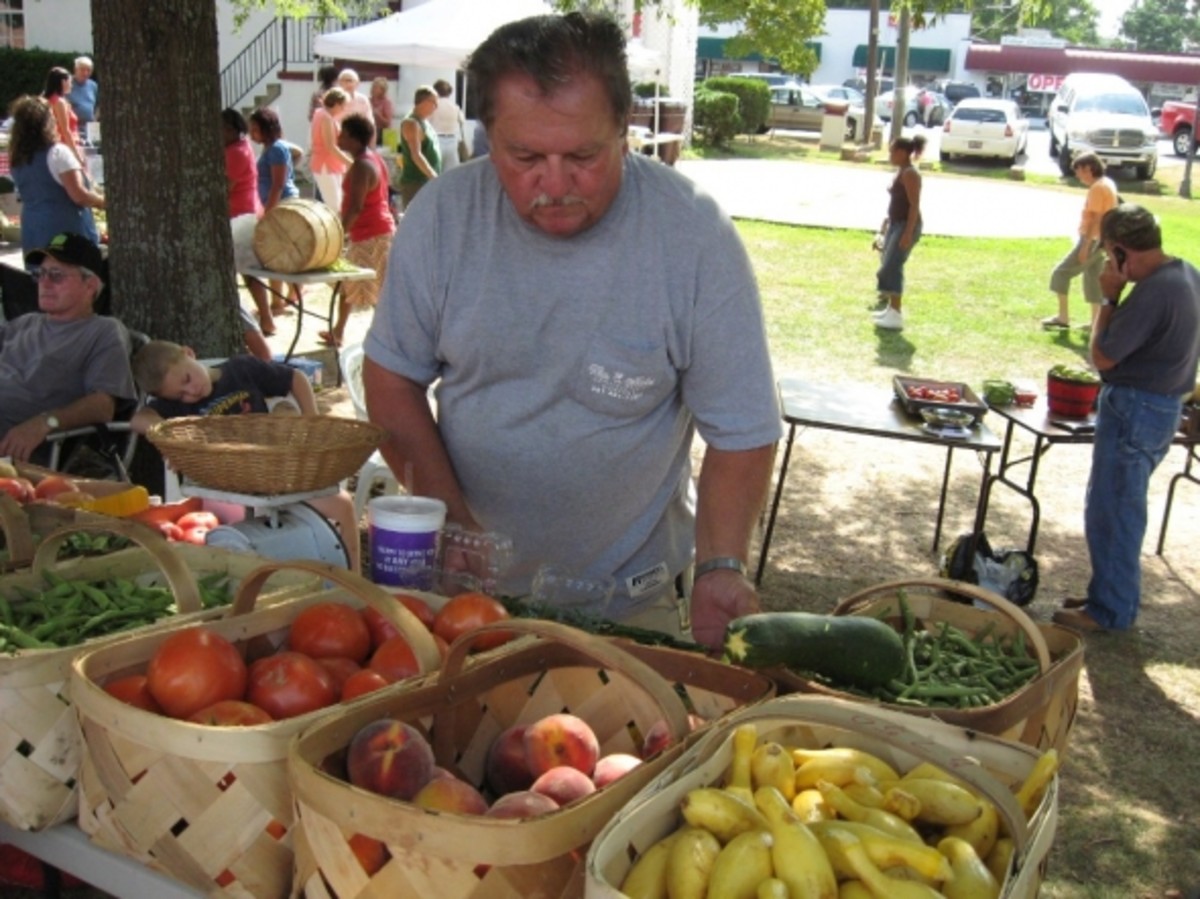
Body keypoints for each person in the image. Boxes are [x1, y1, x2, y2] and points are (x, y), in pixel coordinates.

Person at [362, 12, 782, 647]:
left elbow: (743, 431)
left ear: (624, 131)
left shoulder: (693, 236)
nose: (554, 185)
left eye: (583, 155)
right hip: (464, 594)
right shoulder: (443, 217)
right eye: (524, 155)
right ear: (486, 135)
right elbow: (392, 379)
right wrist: (453, 525)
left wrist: (721, 564)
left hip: (630, 604)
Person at [1052, 205, 1200, 634]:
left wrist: (1109, 297)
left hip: (1137, 408)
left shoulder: (1155, 290)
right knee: (1121, 505)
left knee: (1114, 510)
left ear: (1119, 252)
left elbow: (1102, 356)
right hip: (1160, 407)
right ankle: (1112, 595)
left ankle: (1109, 611)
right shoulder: (1186, 272)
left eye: (1108, 255)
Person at [130, 341, 361, 571]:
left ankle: (354, 580)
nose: (190, 392)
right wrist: (170, 439)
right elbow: (139, 419)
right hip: (222, 487)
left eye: (187, 379)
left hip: (272, 474)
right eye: (180, 396)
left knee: (342, 504)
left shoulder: (241, 369)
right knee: (244, 536)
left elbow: (295, 379)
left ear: (188, 353)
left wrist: (312, 420)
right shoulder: (177, 409)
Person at [0, 233, 136, 463]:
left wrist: (46, 422)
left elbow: (102, 406)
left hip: (16, 446)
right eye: (40, 274)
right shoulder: (25, 322)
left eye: (56, 275)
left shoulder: (103, 332)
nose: (44, 283)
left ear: (90, 285)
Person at [319, 114, 395, 349]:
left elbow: (355, 207)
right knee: (348, 284)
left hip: (372, 235)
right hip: (375, 231)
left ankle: (388, 340)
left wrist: (338, 234)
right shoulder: (373, 159)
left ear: (354, 138)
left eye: (343, 134)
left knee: (376, 291)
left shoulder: (363, 165)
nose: (339, 138)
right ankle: (338, 332)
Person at [7, 95, 104, 258]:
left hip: (33, 228)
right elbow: (79, 196)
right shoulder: (57, 153)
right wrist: (105, 202)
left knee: (42, 277)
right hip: (64, 229)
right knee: (70, 276)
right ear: (47, 123)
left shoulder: (17, 158)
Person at [1042, 152, 1119, 332]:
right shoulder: (1107, 183)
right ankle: (1096, 323)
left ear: (1088, 169)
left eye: (1079, 171)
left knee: (1060, 273)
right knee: (1093, 279)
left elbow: (1096, 218)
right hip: (1102, 240)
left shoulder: (1098, 188)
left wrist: (1085, 247)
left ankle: (1063, 317)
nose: (1077, 176)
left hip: (1093, 240)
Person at [221, 107, 272, 358]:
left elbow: (224, 187)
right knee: (248, 273)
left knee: (246, 273)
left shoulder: (237, 152)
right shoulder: (237, 149)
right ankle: (266, 318)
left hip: (240, 217)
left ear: (232, 129)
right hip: (243, 214)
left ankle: (264, 319)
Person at [248, 106, 301, 319]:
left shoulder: (277, 149)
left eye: (255, 129)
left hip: (282, 206)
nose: (252, 134)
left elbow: (278, 185)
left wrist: (268, 212)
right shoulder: (270, 148)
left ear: (266, 129)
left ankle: (282, 299)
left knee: (278, 253)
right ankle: (280, 298)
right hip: (275, 205)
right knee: (275, 254)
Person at [872, 134, 925, 331]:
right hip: (896, 224)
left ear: (903, 153)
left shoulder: (910, 174)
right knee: (887, 262)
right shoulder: (900, 171)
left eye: (893, 150)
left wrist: (907, 233)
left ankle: (896, 314)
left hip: (906, 225)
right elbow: (895, 203)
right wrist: (885, 225)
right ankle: (890, 310)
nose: (890, 154)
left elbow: (913, 205)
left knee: (892, 266)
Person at [396, 85, 441, 211]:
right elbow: (416, 155)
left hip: (426, 182)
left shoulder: (424, 122)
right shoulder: (411, 123)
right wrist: (434, 176)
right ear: (424, 102)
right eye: (434, 102)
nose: (436, 107)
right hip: (416, 183)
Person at [309, 87, 352, 214]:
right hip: (325, 164)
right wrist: (351, 162)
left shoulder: (320, 114)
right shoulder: (326, 118)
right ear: (337, 104)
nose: (344, 109)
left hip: (331, 164)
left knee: (339, 203)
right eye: (343, 105)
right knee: (335, 206)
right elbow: (330, 146)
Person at [43, 67, 88, 170]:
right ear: (63, 82)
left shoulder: (47, 100)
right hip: (65, 147)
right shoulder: (59, 102)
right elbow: (65, 131)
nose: (71, 85)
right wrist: (77, 156)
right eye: (70, 82)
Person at [429, 78, 467, 174]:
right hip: (452, 142)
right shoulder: (455, 107)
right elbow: (462, 121)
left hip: (436, 140)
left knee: (433, 173)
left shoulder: (432, 106)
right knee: (451, 174)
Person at [337, 69, 374, 142]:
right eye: (344, 81)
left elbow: (369, 122)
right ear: (339, 83)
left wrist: (371, 143)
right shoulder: (335, 99)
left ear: (357, 83)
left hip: (358, 140)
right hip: (339, 138)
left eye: (350, 81)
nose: (347, 84)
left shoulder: (363, 100)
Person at [68, 56, 99, 133]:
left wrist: (94, 119)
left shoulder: (93, 85)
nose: (85, 73)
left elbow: (99, 104)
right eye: (82, 70)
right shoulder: (67, 84)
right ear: (75, 69)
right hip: (72, 128)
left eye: (88, 70)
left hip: (89, 128)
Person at [369, 77, 395, 141]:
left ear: (382, 90)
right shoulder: (368, 101)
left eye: (376, 87)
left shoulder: (386, 103)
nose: (373, 89)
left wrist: (377, 115)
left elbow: (388, 122)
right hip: (369, 131)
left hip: (382, 133)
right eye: (373, 86)